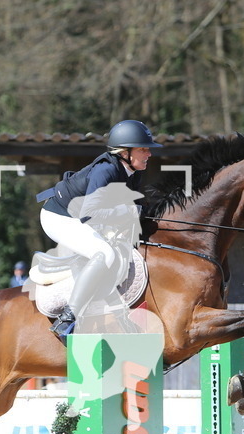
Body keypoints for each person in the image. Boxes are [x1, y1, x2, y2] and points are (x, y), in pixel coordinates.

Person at [35, 119, 161, 336]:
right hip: (59, 217)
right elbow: (89, 213)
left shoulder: (133, 171)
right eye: (143, 149)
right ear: (125, 152)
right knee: (104, 254)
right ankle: (67, 318)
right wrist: (128, 213)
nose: (149, 154)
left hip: (80, 217)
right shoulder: (105, 171)